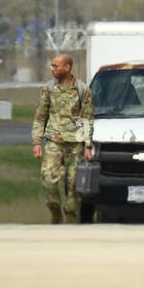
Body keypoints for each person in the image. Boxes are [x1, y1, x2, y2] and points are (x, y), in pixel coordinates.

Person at [31, 55, 94, 224]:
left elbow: (87, 119)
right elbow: (40, 117)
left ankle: (71, 221)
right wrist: (37, 142)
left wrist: (88, 145)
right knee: (48, 179)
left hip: (76, 144)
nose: (52, 69)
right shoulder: (49, 89)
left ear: (67, 68)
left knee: (74, 186)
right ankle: (55, 210)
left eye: (56, 66)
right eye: (52, 66)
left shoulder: (82, 90)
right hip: (54, 141)